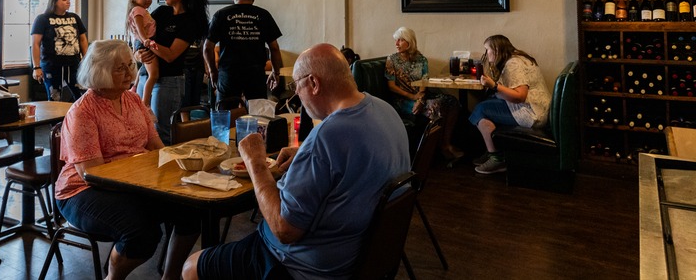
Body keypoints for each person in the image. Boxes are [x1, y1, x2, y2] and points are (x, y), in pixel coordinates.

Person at [182, 43, 410, 280]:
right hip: (362, 256)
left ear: (313, 83)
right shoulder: (384, 110)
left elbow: (283, 229)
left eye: (296, 85)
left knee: (191, 267)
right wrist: (305, 158)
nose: (296, 95)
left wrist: (255, 162)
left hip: (305, 266)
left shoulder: (327, 136)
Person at [55, 40, 199, 280]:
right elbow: (93, 173)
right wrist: (141, 175)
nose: (130, 72)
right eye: (119, 68)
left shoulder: (132, 100)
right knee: (141, 232)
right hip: (82, 190)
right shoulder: (83, 111)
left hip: (134, 181)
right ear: (99, 71)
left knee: (191, 209)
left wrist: (185, 165)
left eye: (130, 65)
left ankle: (171, 276)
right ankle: (113, 277)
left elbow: (156, 148)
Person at [137, 0, 209, 144]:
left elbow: (170, 55)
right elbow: (141, 36)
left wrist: (149, 45)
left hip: (168, 81)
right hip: (144, 74)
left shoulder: (189, 22)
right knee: (141, 126)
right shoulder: (161, 12)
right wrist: (138, 53)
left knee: (161, 130)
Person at [469, 34, 551, 175]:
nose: (486, 54)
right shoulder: (518, 58)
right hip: (538, 109)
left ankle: (497, 158)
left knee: (480, 108)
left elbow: (520, 96)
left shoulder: (514, 64)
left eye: (487, 50)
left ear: (496, 49)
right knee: (485, 106)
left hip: (531, 113)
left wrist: (494, 85)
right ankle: (493, 153)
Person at [385, 27, 462, 160]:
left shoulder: (421, 59)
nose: (396, 44)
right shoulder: (392, 60)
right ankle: (429, 152)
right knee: (435, 106)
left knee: (452, 101)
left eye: (401, 40)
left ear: (410, 42)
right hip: (402, 100)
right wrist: (413, 97)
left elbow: (423, 83)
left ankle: (445, 144)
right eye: (396, 40)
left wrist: (419, 100)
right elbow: (391, 86)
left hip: (421, 96)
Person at [203, 0, 283, 102]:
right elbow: (274, 47)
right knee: (257, 114)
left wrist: (212, 71)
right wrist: (275, 72)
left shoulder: (221, 15)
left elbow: (207, 48)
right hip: (255, 73)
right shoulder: (263, 15)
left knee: (226, 114)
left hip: (228, 73)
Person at [31, 0, 88, 101]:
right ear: (55, 1)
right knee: (54, 97)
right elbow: (35, 44)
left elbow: (82, 40)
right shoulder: (42, 19)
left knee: (82, 96)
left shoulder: (75, 17)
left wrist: (86, 61)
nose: (68, 2)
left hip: (74, 65)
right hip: (52, 66)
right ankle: (56, 119)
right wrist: (36, 67)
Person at [125, 0, 158, 107]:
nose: (148, 0)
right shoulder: (138, 10)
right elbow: (139, 28)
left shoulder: (142, 10)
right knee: (154, 74)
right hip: (146, 42)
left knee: (145, 70)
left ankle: (135, 87)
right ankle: (145, 103)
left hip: (144, 42)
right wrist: (145, 40)